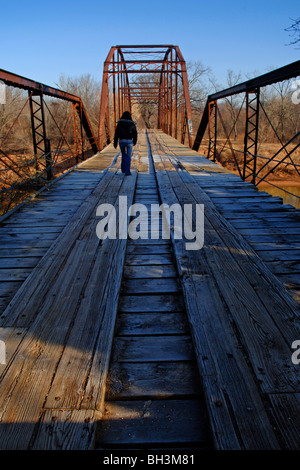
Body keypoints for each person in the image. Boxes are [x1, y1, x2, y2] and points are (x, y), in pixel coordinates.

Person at [113, 111, 137, 176]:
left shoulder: (120, 124)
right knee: (128, 156)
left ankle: (123, 169)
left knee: (123, 155)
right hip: (129, 141)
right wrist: (135, 141)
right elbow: (135, 133)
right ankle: (127, 172)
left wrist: (115, 143)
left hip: (121, 141)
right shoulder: (132, 124)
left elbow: (116, 134)